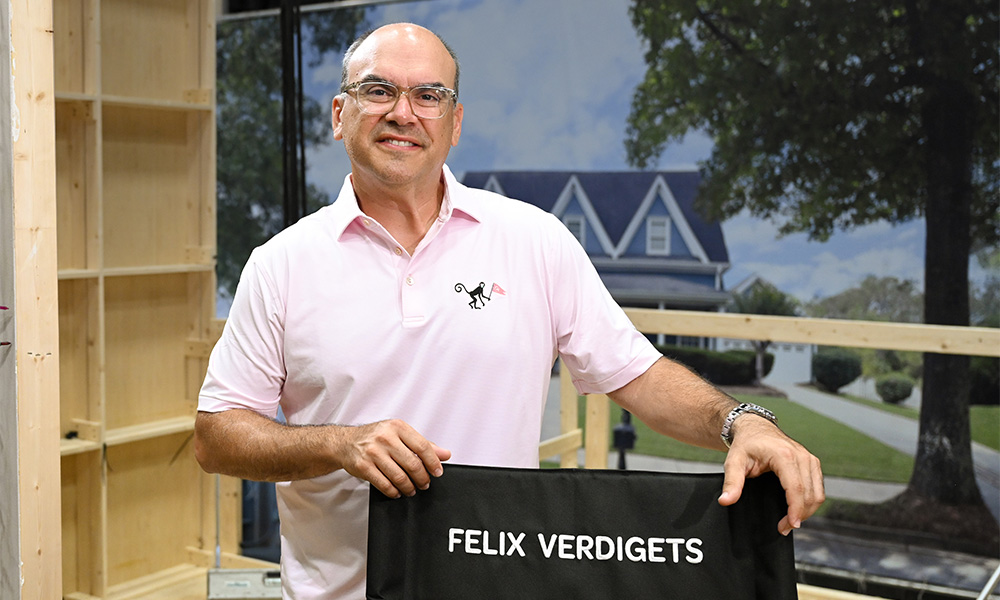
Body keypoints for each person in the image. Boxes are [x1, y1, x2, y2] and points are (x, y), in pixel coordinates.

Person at [194, 22, 824, 599]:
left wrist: (745, 422)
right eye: (378, 90)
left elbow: (638, 375)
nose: (403, 113)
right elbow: (218, 435)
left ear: (454, 122)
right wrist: (340, 444)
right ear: (340, 114)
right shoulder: (281, 264)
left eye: (429, 95)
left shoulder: (534, 240)